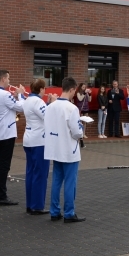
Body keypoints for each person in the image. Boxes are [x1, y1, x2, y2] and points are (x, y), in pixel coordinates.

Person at [44, 77, 85, 222]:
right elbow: (76, 132)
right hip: (68, 149)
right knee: (70, 182)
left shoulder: (50, 106)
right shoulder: (72, 108)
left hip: (55, 148)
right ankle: (69, 213)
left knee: (56, 181)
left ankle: (54, 211)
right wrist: (81, 128)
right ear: (73, 89)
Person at [0, 69, 25, 206]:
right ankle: (1, 196)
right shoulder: (4, 94)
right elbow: (21, 107)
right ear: (3, 79)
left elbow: (8, 107)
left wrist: (15, 96)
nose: (9, 81)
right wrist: (20, 95)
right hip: (7, 133)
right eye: (8, 78)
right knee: (4, 165)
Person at [23, 79, 55, 215]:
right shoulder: (38, 101)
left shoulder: (28, 100)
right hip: (39, 141)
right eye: (44, 89)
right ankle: (37, 205)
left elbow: (40, 114)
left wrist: (48, 103)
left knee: (31, 172)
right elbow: (48, 117)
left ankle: (30, 204)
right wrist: (52, 104)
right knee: (40, 174)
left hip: (29, 139)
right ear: (41, 89)